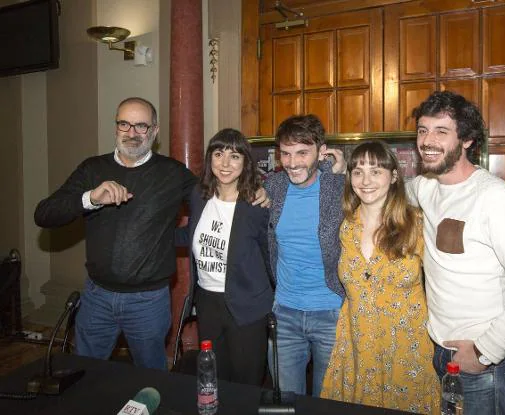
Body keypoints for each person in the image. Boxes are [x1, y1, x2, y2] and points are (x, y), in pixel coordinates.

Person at [406, 91, 505, 415]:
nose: (427, 141)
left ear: (466, 141)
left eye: (441, 132)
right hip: (442, 356)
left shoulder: (495, 200)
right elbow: (382, 189)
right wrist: (335, 168)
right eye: (422, 130)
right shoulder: (424, 187)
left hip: (487, 365)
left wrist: (483, 351)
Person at [34, 97, 197, 370]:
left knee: (150, 381)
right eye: (125, 124)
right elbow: (44, 214)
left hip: (148, 302)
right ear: (116, 127)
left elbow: (214, 206)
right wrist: (90, 198)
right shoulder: (92, 169)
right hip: (96, 297)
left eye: (141, 126)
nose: (132, 133)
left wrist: (174, 240)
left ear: (154, 131)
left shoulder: (172, 173)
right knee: (84, 375)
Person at [320, 140, 440, 413]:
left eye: (376, 171)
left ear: (394, 176)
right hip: (356, 347)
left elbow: (442, 284)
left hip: (406, 349)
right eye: (358, 171)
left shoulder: (417, 224)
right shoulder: (345, 226)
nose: (366, 180)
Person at [175, 128, 273, 385]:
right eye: (219, 154)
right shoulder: (199, 196)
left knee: (246, 380)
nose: (225, 164)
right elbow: (191, 234)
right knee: (215, 376)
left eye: (235, 156)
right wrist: (153, 235)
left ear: (245, 162)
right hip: (208, 302)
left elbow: (269, 251)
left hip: (247, 303)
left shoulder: (256, 204)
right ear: (210, 159)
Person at [264, 114, 345, 397]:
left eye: (302, 153)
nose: (292, 162)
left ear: (321, 152)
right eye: (285, 153)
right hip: (284, 313)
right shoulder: (272, 188)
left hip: (331, 313)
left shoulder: (340, 188)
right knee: (286, 400)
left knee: (328, 401)